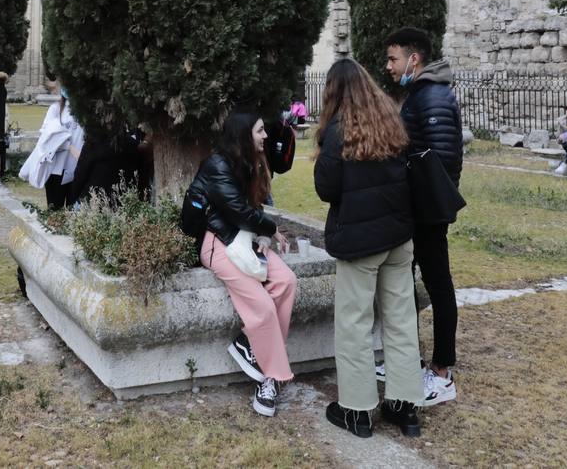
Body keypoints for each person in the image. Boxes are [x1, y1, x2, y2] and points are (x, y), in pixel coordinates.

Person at [313, 58, 423, 439]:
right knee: (401, 320)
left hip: (361, 240)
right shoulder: (391, 120)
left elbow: (326, 188)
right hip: (397, 236)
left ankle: (357, 410)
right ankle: (405, 407)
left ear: (333, 92)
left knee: (354, 325)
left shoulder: (339, 130)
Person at [190, 110, 296, 418]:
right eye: (260, 131)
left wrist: (262, 237)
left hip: (245, 241)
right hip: (218, 243)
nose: (266, 136)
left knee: (286, 281)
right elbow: (236, 209)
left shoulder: (253, 162)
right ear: (243, 134)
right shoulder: (217, 165)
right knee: (262, 307)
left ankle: (247, 343)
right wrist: (271, 229)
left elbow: (253, 205)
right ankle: (272, 378)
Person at [384, 27, 460, 407]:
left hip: (428, 210)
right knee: (402, 280)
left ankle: (443, 372)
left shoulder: (430, 96)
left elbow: (440, 160)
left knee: (438, 284)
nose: (388, 66)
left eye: (393, 58)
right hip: (418, 207)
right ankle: (406, 359)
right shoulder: (421, 94)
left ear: (414, 59)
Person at [19, 84, 84, 209]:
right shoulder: (56, 109)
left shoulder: (85, 112)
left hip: (77, 169)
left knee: (75, 214)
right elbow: (48, 137)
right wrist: (69, 147)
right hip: (56, 169)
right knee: (55, 211)